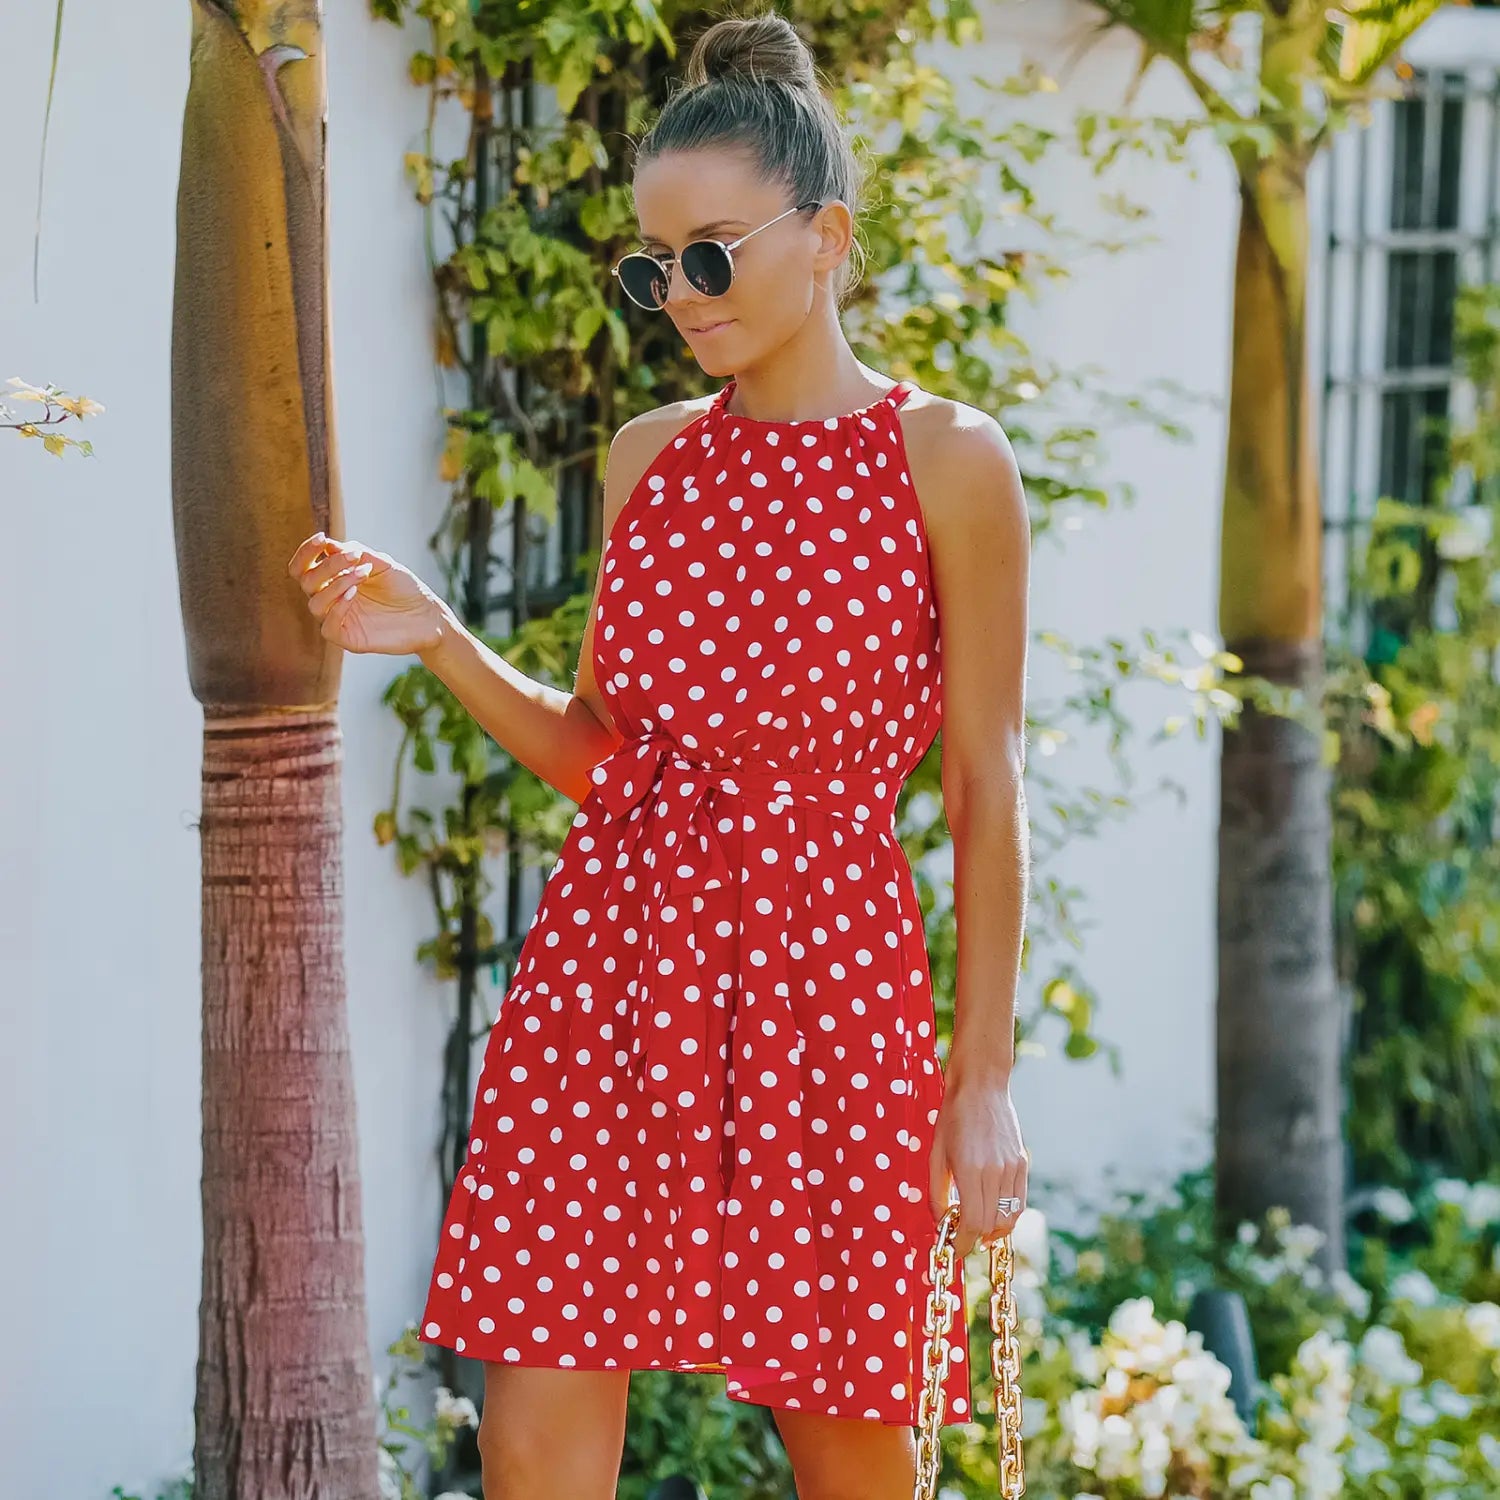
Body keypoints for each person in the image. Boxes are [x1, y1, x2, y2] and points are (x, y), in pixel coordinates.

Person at [287, 9, 1030, 1497]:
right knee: (536, 1429)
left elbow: (981, 785)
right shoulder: (648, 458)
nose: (678, 295)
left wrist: (983, 1080)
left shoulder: (947, 460)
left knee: (852, 1449)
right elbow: (611, 762)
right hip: (609, 971)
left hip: (825, 983)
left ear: (823, 237)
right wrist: (437, 636)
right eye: (653, 264)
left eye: (710, 254)